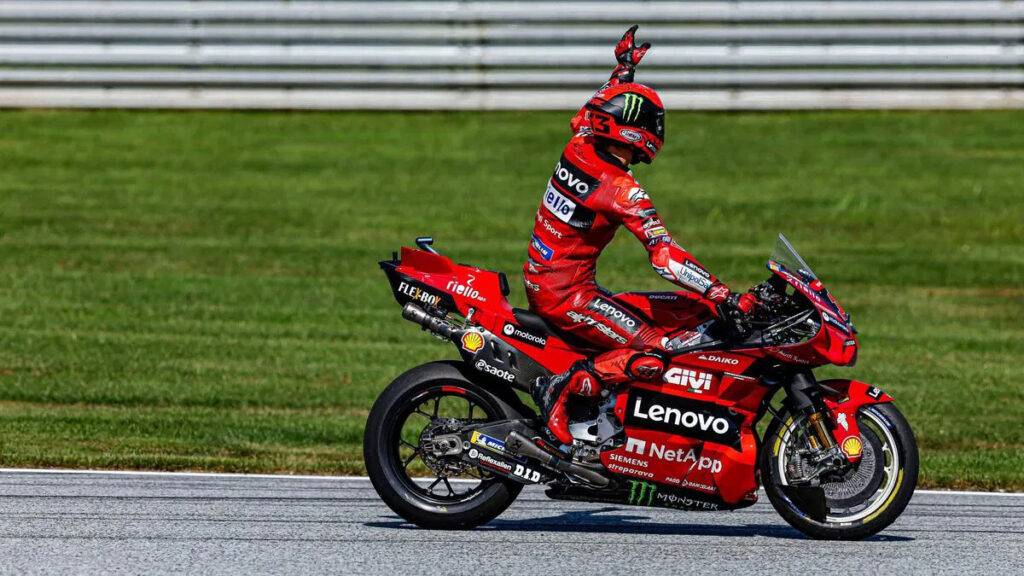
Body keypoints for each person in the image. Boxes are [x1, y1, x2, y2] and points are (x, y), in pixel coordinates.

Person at [524, 26, 757, 447]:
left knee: (692, 310)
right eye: (652, 123)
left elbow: (600, 102)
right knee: (658, 349)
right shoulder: (618, 189)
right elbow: (664, 257)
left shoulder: (580, 141)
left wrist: (624, 68)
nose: (658, 130)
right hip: (566, 296)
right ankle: (566, 388)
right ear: (630, 130)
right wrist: (723, 294)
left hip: (555, 280)